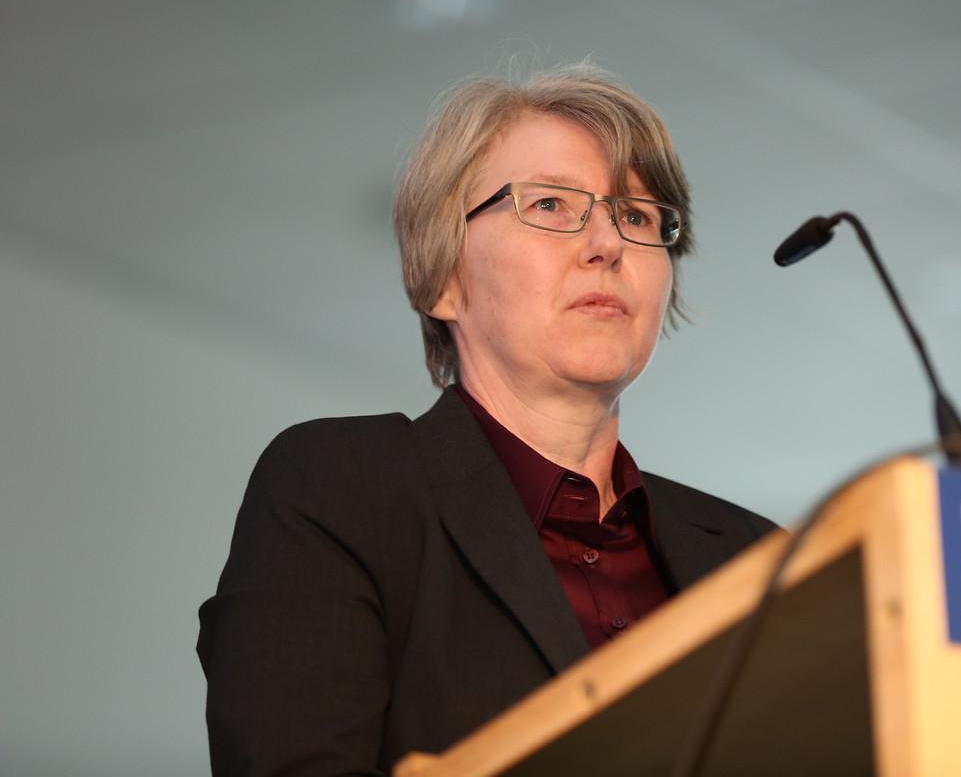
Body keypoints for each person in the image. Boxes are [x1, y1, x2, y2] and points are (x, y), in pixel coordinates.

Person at [197, 63, 777, 776]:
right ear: (444, 276)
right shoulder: (345, 488)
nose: (608, 244)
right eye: (551, 205)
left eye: (635, 216)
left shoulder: (758, 556)